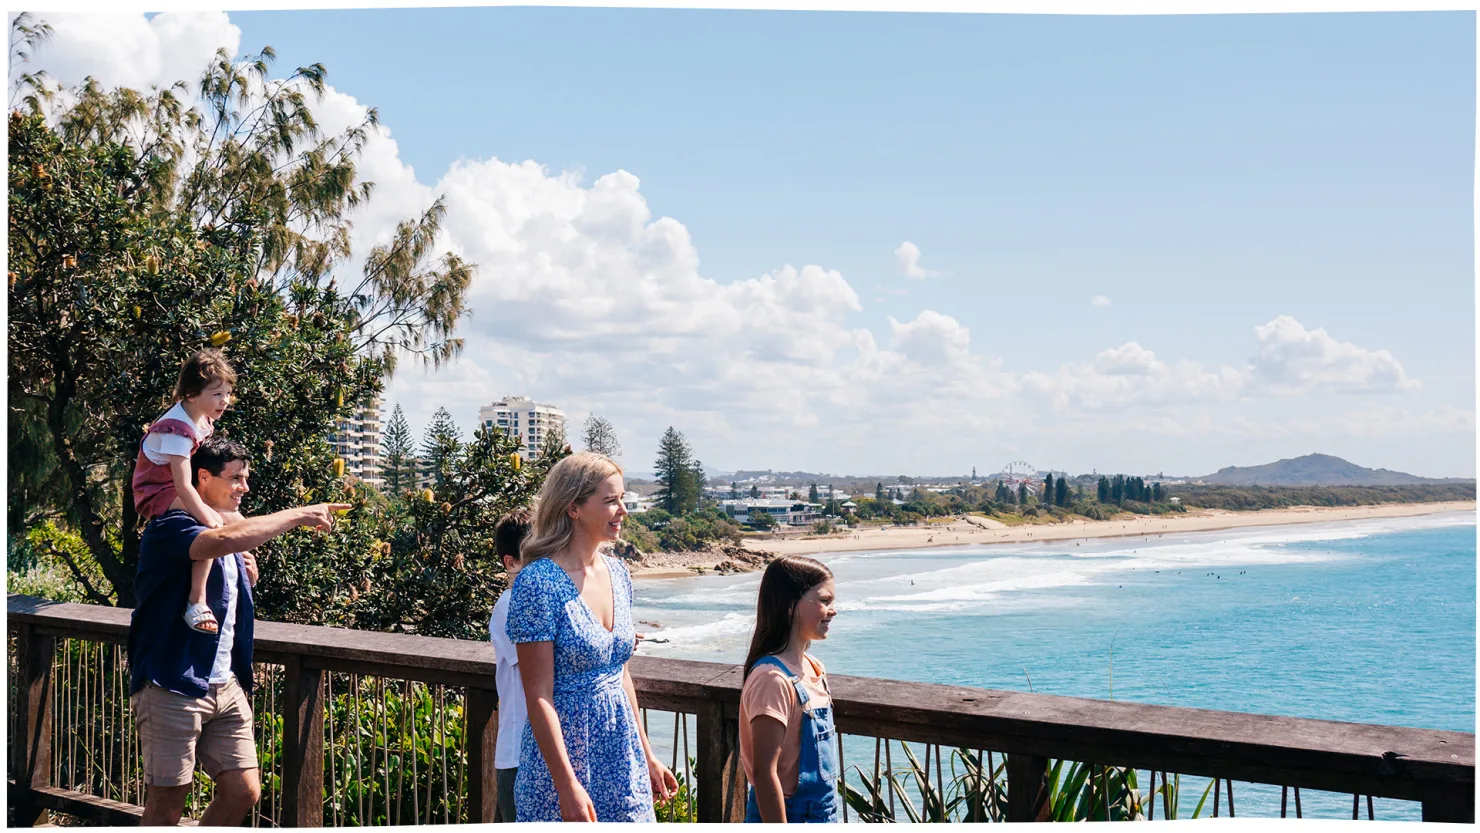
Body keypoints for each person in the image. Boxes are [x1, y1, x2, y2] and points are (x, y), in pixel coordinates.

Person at [127, 436, 350, 826]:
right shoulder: (171, 525)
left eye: (246, 479)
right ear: (203, 478)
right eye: (235, 479)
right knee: (166, 804)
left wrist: (244, 577)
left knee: (244, 790)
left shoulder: (231, 535)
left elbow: (228, 568)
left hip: (225, 686)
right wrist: (298, 514)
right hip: (172, 683)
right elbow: (221, 540)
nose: (244, 487)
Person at [507, 452, 678, 822]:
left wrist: (646, 754)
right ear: (573, 508)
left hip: (622, 756)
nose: (623, 511)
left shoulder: (618, 572)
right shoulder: (538, 583)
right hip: (564, 765)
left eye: (623, 500)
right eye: (611, 501)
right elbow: (538, 696)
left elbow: (620, 675)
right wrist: (565, 784)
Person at [131, 349, 237, 635]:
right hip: (157, 490)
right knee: (209, 528)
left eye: (227, 393)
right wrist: (208, 515)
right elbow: (181, 484)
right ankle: (197, 600)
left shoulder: (200, 419)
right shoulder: (176, 430)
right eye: (216, 394)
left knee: (229, 516)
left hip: (180, 485)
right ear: (191, 394)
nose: (224, 401)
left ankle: (244, 558)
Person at [739, 556, 840, 823]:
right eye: (824, 601)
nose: (833, 610)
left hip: (824, 812)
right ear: (790, 605)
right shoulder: (772, 679)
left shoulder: (814, 667)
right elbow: (764, 773)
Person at [488, 508, 533, 824]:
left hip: (541, 753)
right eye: (536, 554)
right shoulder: (507, 607)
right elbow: (541, 660)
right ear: (511, 562)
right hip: (518, 754)